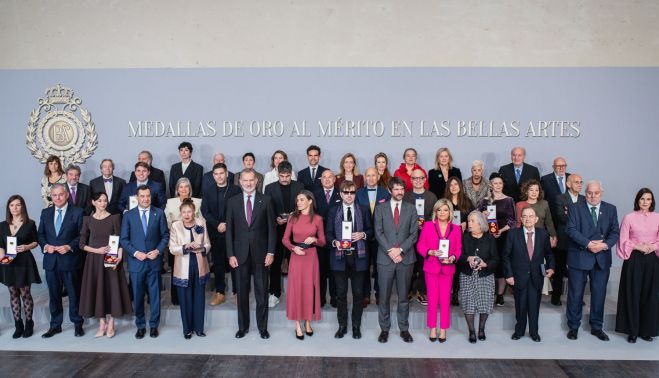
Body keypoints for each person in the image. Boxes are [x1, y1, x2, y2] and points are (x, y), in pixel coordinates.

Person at [565, 180, 619, 342]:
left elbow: (615, 232)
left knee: (599, 294)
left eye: (596, 193)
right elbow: (571, 229)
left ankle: (597, 327)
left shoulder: (611, 209)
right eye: (589, 193)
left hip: (601, 258)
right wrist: (588, 244)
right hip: (579, 257)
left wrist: (604, 245)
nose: (592, 196)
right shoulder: (575, 208)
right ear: (585, 193)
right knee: (575, 294)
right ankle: (573, 327)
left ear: (601, 193)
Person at [226, 169, 276, 339]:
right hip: (239, 255)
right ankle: (243, 327)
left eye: (251, 180)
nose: (248, 183)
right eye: (245, 180)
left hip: (261, 255)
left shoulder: (266, 200)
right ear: (240, 182)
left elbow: (272, 229)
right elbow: (229, 232)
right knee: (241, 293)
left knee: (262, 293)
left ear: (256, 181)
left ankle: (263, 327)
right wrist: (230, 254)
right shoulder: (232, 202)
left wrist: (271, 251)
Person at [78, 192, 132, 338]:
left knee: (112, 289)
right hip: (94, 261)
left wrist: (119, 256)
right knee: (98, 289)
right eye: (100, 201)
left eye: (105, 200)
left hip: (111, 259)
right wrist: (97, 250)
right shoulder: (87, 220)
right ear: (93, 202)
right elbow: (81, 244)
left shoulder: (115, 218)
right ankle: (102, 323)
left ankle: (112, 323)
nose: (103, 203)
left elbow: (120, 239)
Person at [120, 185, 169, 339]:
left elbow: (165, 236)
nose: (146, 199)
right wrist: (135, 253)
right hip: (136, 263)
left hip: (154, 262)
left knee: (155, 296)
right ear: (137, 197)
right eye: (142, 196)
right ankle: (140, 326)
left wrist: (158, 251)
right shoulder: (129, 215)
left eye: (148, 196)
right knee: (138, 296)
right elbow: (124, 239)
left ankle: (154, 326)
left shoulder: (159, 213)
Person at [325, 181, 373, 339]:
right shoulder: (333, 211)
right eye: (346, 192)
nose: (349, 195)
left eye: (352, 192)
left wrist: (363, 235)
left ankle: (356, 326)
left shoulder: (363, 210)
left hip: (358, 257)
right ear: (340, 194)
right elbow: (328, 233)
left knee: (359, 294)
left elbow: (371, 230)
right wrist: (335, 242)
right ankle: (342, 326)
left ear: (355, 194)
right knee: (341, 294)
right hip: (339, 257)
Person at [37, 184, 85, 338]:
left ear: (66, 195)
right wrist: (45, 247)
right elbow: (41, 235)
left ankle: (78, 323)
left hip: (70, 260)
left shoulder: (77, 212)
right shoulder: (45, 213)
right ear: (51, 196)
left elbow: (82, 236)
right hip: (51, 261)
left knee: (74, 294)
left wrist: (69, 247)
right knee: (54, 295)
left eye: (60, 194)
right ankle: (55, 325)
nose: (57, 198)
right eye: (55, 195)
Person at [374, 177, 418, 343]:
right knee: (384, 297)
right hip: (385, 259)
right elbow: (378, 232)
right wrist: (390, 251)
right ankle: (384, 329)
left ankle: (404, 329)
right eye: (397, 189)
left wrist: (400, 250)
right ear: (390, 190)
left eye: (402, 189)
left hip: (405, 259)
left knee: (403, 297)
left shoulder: (411, 209)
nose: (400, 192)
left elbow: (414, 234)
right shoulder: (380, 208)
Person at [504, 206, 555, 342]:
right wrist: (508, 274)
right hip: (518, 276)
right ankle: (519, 331)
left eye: (531, 216)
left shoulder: (543, 234)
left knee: (534, 306)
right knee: (520, 306)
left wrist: (551, 268)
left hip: (536, 276)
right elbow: (506, 256)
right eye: (524, 216)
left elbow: (549, 254)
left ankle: (534, 332)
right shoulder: (513, 234)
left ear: (536, 219)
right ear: (520, 219)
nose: (528, 219)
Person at [615, 188, 659, 343]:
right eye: (642, 199)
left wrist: (653, 247)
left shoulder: (658, 218)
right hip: (634, 259)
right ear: (637, 200)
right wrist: (638, 246)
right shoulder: (629, 218)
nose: (645, 202)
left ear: (652, 201)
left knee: (650, 295)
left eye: (648, 199)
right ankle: (632, 331)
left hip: (652, 259)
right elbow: (623, 239)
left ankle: (646, 330)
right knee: (632, 293)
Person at [416, 199, 462, 342]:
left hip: (447, 268)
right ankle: (432, 328)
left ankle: (443, 329)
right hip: (431, 267)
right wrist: (430, 252)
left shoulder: (455, 229)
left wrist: (453, 257)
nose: (442, 213)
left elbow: (458, 249)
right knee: (432, 299)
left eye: (445, 210)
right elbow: (420, 246)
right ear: (435, 212)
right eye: (439, 210)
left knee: (444, 300)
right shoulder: (428, 226)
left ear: (450, 212)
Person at [282, 191, 326, 340]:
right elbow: (285, 239)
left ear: (310, 201)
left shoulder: (318, 219)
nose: (298, 202)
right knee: (296, 290)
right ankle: (297, 325)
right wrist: (294, 248)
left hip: (311, 257)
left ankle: (308, 322)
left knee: (309, 289)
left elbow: (323, 242)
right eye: (297, 200)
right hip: (296, 256)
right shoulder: (292, 218)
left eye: (301, 200)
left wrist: (314, 239)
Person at [169, 198, 211, 339]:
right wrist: (185, 246)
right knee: (185, 300)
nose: (187, 214)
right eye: (184, 212)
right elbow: (172, 248)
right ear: (180, 213)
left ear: (194, 212)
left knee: (199, 299)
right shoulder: (176, 226)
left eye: (189, 211)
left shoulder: (201, 223)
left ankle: (199, 328)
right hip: (183, 267)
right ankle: (187, 329)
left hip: (199, 266)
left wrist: (201, 247)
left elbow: (208, 244)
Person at [0, 195, 41, 338]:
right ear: (8, 208)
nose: (15, 208)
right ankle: (18, 325)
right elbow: (0, 245)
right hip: (8, 263)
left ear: (22, 206)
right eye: (12, 205)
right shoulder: (2, 225)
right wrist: (2, 257)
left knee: (25, 293)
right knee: (13, 294)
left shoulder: (30, 223)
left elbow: (36, 242)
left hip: (24, 262)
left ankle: (29, 323)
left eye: (18, 205)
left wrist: (26, 246)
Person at [264, 161, 304, 307]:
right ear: (277, 174)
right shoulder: (269, 188)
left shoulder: (299, 186)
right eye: (282, 176)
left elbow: (304, 206)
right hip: (277, 230)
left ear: (291, 173)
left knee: (295, 264)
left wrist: (296, 215)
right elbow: (267, 208)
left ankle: (296, 293)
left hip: (295, 231)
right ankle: (274, 293)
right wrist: (276, 218)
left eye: (287, 176)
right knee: (275, 264)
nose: (285, 179)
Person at [201, 163, 241, 306]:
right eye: (216, 174)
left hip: (233, 233)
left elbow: (239, 211)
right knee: (217, 263)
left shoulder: (236, 190)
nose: (219, 176)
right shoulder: (208, 190)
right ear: (213, 176)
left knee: (235, 263)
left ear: (227, 174)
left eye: (221, 173)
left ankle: (237, 292)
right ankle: (220, 292)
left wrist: (227, 225)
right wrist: (217, 224)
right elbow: (205, 211)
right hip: (215, 231)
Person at [457, 211, 498, 343]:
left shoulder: (490, 238)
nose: (469, 223)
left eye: (472, 221)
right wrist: (467, 258)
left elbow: (496, 259)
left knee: (484, 303)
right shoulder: (464, 237)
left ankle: (481, 329)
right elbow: (458, 255)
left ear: (480, 224)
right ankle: (472, 331)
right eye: (469, 221)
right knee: (468, 304)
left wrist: (486, 264)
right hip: (467, 275)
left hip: (485, 276)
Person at [478, 172, 516, 307]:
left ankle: (500, 295)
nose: (498, 185)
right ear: (490, 185)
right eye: (495, 183)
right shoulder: (484, 201)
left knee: (501, 265)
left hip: (503, 236)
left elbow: (513, 221)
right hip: (487, 237)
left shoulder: (509, 200)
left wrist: (501, 230)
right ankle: (486, 294)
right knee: (487, 263)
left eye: (500, 183)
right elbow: (478, 220)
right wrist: (483, 214)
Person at [165, 177, 203, 305]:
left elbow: (201, 222)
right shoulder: (170, 202)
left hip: (193, 240)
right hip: (176, 239)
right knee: (176, 267)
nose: (183, 189)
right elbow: (166, 220)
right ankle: (176, 298)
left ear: (190, 189)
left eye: (186, 186)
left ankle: (191, 296)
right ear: (177, 189)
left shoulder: (197, 202)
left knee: (193, 269)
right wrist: (176, 226)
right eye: (180, 187)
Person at [356, 167, 391, 307]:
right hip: (362, 236)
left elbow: (388, 215)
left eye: (373, 175)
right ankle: (365, 295)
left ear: (378, 176)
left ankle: (378, 294)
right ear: (365, 177)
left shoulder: (385, 193)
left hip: (380, 237)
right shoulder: (358, 193)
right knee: (364, 267)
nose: (371, 178)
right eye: (368, 175)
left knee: (379, 267)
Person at [403, 169, 437, 306]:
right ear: (411, 180)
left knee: (424, 266)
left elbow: (435, 217)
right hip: (409, 237)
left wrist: (426, 225)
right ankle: (409, 290)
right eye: (415, 178)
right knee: (409, 265)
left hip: (426, 238)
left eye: (420, 178)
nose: (418, 180)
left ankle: (422, 292)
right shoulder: (406, 197)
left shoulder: (431, 197)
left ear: (424, 179)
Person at [552, 174, 585, 306]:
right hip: (564, 240)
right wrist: (579, 219)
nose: (579, 184)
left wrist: (570, 213)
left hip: (580, 241)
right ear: (568, 184)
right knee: (559, 270)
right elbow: (561, 217)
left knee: (577, 272)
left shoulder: (584, 199)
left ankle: (577, 297)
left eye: (581, 182)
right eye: (576, 182)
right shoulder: (560, 198)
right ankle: (556, 297)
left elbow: (586, 218)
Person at [312, 169, 341, 307]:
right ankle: (321, 298)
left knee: (335, 270)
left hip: (337, 238)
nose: (327, 179)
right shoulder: (314, 195)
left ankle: (335, 298)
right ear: (321, 180)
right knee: (320, 271)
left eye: (330, 177)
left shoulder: (340, 193)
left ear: (335, 179)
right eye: (324, 177)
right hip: (319, 238)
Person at [445, 176, 474, 305]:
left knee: (460, 266)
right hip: (447, 239)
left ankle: (456, 293)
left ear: (460, 186)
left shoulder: (467, 202)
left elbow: (473, 217)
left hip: (463, 239)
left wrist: (466, 224)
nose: (453, 187)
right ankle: (447, 292)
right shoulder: (444, 202)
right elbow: (437, 217)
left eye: (456, 184)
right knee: (449, 265)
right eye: (451, 185)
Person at [515, 179, 557, 248]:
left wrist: (553, 236)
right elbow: (518, 224)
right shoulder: (520, 205)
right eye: (531, 190)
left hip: (541, 238)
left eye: (536, 190)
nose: (534, 192)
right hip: (525, 238)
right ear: (526, 192)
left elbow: (549, 222)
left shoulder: (544, 203)